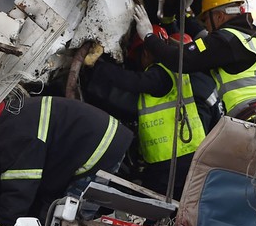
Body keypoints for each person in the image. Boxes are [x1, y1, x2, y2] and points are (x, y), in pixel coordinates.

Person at [0, 95, 134, 226]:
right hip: (99, 140)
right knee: (50, 218)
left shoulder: (14, 133)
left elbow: (19, 192)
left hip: (99, 149)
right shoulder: (15, 116)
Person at [87, 28, 220, 198]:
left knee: (152, 204)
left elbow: (133, 82)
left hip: (172, 160)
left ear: (146, 53)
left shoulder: (162, 71)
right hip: (184, 156)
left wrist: (99, 67)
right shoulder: (184, 75)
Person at [140, 0, 256, 121]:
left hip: (253, 118)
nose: (206, 25)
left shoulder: (225, 39)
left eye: (206, 19)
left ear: (219, 16)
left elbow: (181, 60)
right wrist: (184, 13)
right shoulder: (252, 37)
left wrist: (148, 37)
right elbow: (203, 39)